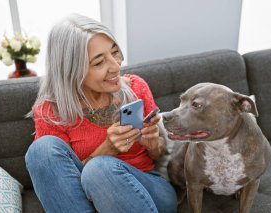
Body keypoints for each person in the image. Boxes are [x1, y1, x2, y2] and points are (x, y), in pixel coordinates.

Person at [25, 14, 177, 213]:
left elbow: (157, 155)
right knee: (41, 151)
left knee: (99, 170)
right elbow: (62, 181)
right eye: (99, 62)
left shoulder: (136, 87)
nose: (115, 66)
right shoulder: (51, 112)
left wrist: (153, 143)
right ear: (71, 70)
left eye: (115, 53)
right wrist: (107, 149)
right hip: (85, 200)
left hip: (148, 188)